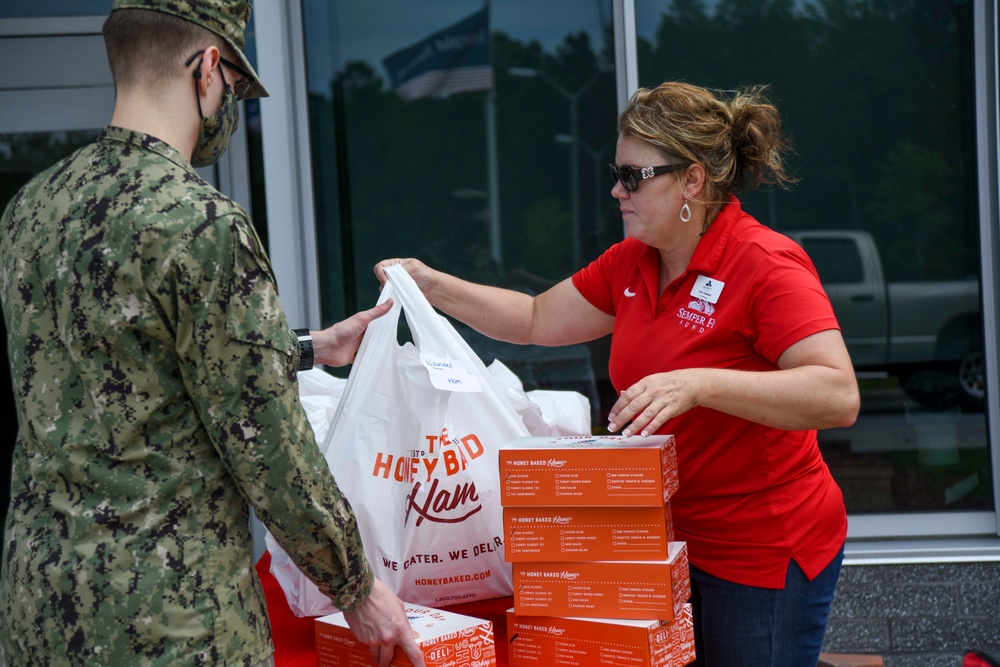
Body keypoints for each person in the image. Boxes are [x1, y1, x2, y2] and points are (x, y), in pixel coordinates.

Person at [376, 81, 860, 667]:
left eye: (633, 176)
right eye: (617, 172)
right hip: (668, 545)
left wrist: (699, 382)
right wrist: (434, 287)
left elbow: (837, 394)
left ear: (691, 180)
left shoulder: (763, 263)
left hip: (761, 548)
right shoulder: (633, 261)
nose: (615, 190)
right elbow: (533, 318)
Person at [0, 2, 423, 666]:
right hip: (169, 623)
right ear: (206, 68)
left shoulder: (31, 208)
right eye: (231, 82)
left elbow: (122, 356)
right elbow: (271, 448)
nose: (228, 100)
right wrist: (358, 586)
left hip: (38, 609)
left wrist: (311, 346)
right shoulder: (201, 223)